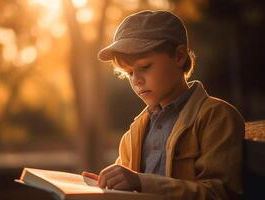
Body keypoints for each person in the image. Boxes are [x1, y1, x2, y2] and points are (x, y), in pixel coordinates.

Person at [82, 10, 244, 199]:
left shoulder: (215, 117)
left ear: (179, 56)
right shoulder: (133, 134)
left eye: (145, 67)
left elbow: (219, 194)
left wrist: (141, 182)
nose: (136, 81)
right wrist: (106, 187)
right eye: (129, 73)